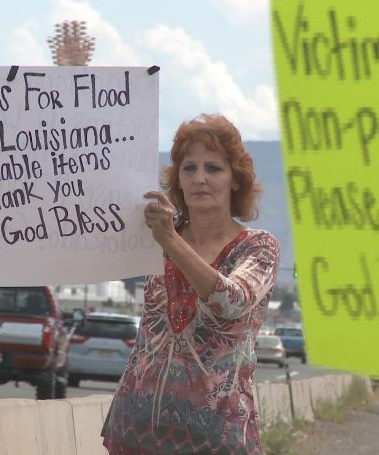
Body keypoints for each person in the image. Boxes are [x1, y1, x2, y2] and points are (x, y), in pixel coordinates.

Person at [102, 114, 280, 454]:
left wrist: (170, 241)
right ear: (178, 181)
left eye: (213, 168)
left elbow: (232, 299)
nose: (200, 178)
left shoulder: (258, 247)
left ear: (235, 181)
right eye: (189, 168)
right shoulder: (152, 236)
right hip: (134, 430)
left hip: (215, 437)